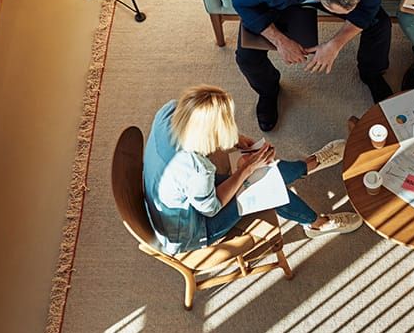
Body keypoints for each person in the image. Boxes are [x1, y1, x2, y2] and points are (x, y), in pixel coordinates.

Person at [143, 85, 361, 255]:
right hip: (193, 229)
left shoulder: (170, 110)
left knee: (265, 177)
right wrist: (244, 171)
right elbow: (211, 208)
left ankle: (307, 167)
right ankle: (317, 222)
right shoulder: (198, 170)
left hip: (172, 196)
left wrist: (235, 139)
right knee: (265, 187)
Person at [233, 0, 393, 131]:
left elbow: (368, 8)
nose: (351, 14)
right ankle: (268, 91)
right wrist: (280, 41)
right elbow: (240, 2)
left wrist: (335, 44)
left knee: (380, 22)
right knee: (246, 56)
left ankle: (372, 74)